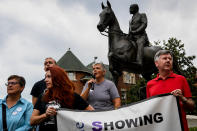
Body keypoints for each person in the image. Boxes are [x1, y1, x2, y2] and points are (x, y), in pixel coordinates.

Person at [30, 65, 94, 131]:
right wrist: (45, 115)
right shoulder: (42, 97)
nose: (45, 80)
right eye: (45, 77)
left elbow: (93, 113)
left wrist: (75, 119)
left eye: (49, 77)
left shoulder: (73, 96)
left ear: (58, 78)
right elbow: (32, 121)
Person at [146, 50, 195, 131]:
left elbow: (192, 107)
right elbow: (149, 109)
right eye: (164, 58)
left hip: (179, 127)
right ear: (156, 63)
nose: (168, 60)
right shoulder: (150, 84)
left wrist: (182, 98)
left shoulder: (181, 79)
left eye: (170, 59)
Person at [128, 4, 149, 68]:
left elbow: (144, 24)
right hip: (132, 37)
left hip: (141, 36)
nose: (129, 9)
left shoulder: (142, 15)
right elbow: (130, 29)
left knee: (139, 43)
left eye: (131, 8)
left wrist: (136, 31)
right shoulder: (130, 20)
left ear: (136, 9)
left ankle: (139, 61)